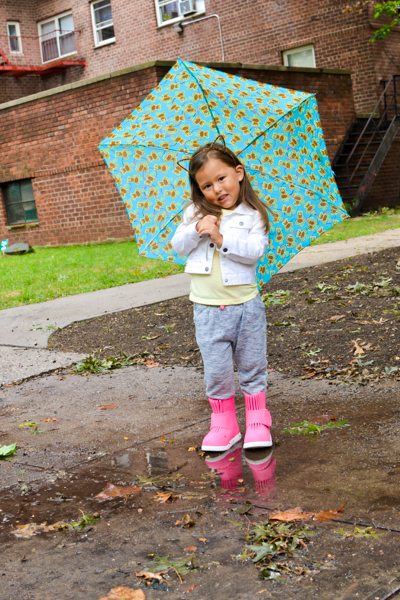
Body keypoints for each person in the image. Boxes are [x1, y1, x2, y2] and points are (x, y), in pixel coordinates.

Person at [171, 140, 272, 452]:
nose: (216, 189)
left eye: (221, 178)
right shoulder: (194, 213)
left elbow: (255, 252)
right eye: (206, 185)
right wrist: (197, 228)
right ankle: (223, 423)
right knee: (216, 369)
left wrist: (221, 237)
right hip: (207, 308)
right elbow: (177, 246)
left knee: (252, 364)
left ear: (238, 173)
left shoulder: (253, 215)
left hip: (246, 307)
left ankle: (258, 419)